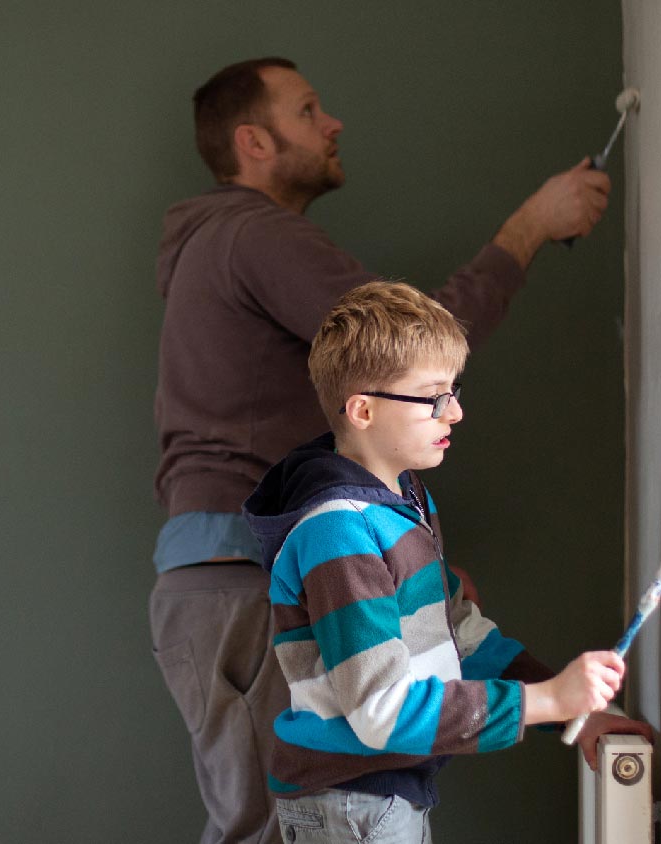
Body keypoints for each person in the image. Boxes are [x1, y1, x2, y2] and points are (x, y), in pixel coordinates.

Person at [150, 56, 613, 844]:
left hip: (196, 581)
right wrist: (530, 227)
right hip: (257, 580)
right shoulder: (256, 233)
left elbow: (465, 633)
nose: (332, 123)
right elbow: (402, 342)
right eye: (308, 110)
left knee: (252, 828)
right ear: (252, 142)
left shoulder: (206, 247)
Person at [242, 282, 650, 843]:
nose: (454, 412)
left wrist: (570, 710)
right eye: (433, 397)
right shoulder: (340, 533)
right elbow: (381, 709)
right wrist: (546, 700)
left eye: (454, 391)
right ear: (362, 409)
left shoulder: (403, 502)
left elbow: (459, 634)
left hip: (379, 794)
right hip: (353, 807)